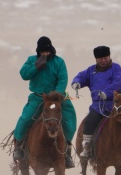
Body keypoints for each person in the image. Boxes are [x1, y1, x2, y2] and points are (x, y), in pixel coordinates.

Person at [12, 36, 77, 168]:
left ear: (51, 50)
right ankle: (18, 147)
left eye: (47, 52)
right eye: (42, 52)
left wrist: (56, 95)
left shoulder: (59, 62)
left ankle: (67, 151)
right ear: (38, 51)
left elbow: (62, 79)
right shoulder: (32, 60)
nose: (45, 54)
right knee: (25, 118)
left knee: (70, 119)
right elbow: (24, 74)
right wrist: (36, 66)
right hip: (38, 97)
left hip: (58, 98)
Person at [70, 46, 121, 160]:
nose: (103, 60)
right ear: (96, 59)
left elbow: (118, 81)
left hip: (117, 102)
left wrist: (107, 93)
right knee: (90, 121)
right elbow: (81, 76)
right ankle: (87, 147)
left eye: (105, 58)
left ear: (109, 56)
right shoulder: (91, 70)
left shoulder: (116, 68)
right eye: (100, 58)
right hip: (99, 105)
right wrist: (76, 83)